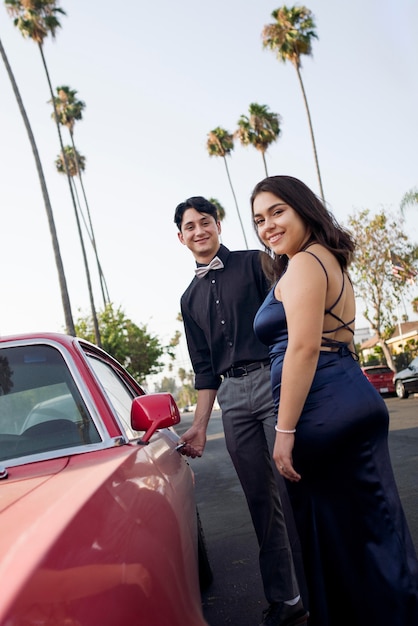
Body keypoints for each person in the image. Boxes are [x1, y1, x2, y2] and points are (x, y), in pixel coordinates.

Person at [251, 175, 418, 626]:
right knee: (374, 532)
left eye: (277, 212)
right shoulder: (329, 261)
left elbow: (303, 348)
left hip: (322, 409)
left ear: (303, 208)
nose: (268, 226)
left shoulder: (305, 264)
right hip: (347, 394)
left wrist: (284, 433)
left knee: (339, 542)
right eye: (259, 220)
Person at [174, 196, 308, 626]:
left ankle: (318, 591)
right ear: (181, 237)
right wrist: (198, 426)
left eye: (205, 222)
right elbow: (205, 370)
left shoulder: (256, 263)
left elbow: (294, 315)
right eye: (190, 226)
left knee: (294, 490)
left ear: (218, 225)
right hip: (231, 398)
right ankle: (285, 601)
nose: (199, 231)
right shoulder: (189, 298)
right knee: (258, 502)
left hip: (273, 379)